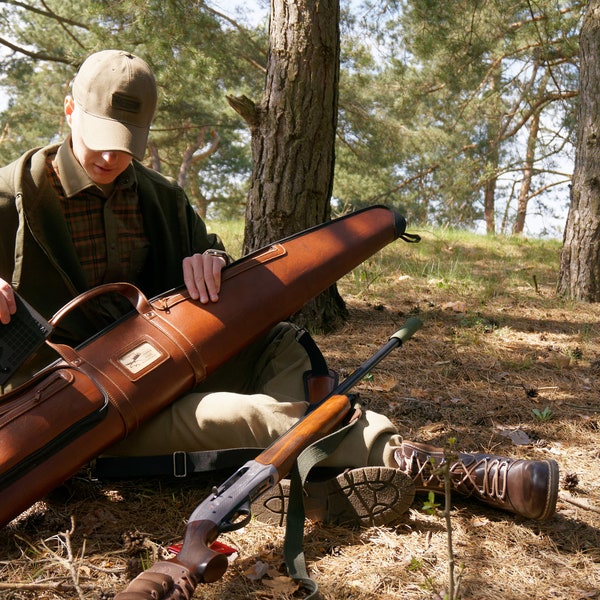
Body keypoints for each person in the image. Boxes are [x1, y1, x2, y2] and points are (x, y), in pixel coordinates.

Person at [0, 49, 559, 529]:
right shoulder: (11, 195)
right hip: (85, 415)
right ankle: (435, 467)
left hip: (165, 365)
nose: (107, 157)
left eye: (124, 145)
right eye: (98, 138)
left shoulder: (159, 197)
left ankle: (305, 471)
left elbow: (205, 252)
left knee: (282, 342)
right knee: (258, 416)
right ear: (68, 110)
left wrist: (209, 258)